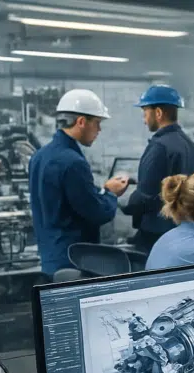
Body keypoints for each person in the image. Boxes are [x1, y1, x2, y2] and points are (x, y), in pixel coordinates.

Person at [28, 89, 129, 278]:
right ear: (81, 122)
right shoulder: (73, 162)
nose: (99, 130)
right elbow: (97, 212)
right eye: (97, 123)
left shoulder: (39, 156)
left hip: (50, 257)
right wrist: (111, 193)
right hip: (74, 260)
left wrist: (102, 190)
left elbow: (66, 200)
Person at [123, 85, 194, 252]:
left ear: (158, 113)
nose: (144, 120)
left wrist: (120, 201)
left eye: (145, 112)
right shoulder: (191, 147)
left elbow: (145, 196)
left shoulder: (159, 147)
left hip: (157, 236)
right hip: (185, 233)